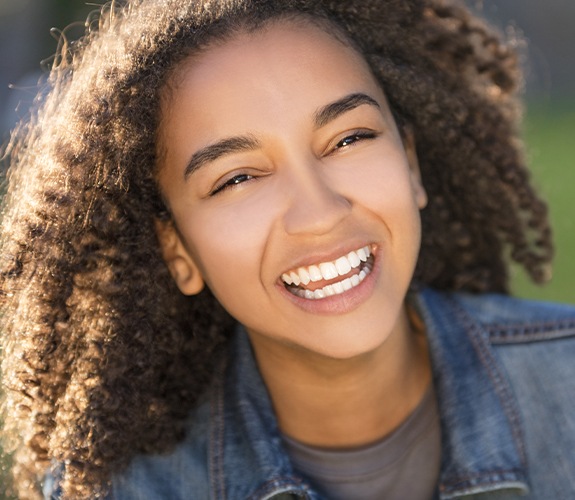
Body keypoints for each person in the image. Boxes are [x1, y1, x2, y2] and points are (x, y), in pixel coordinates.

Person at [1, 0, 574, 498]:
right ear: (176, 249)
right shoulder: (127, 490)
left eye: (349, 139)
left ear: (411, 163)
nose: (320, 213)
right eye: (237, 179)